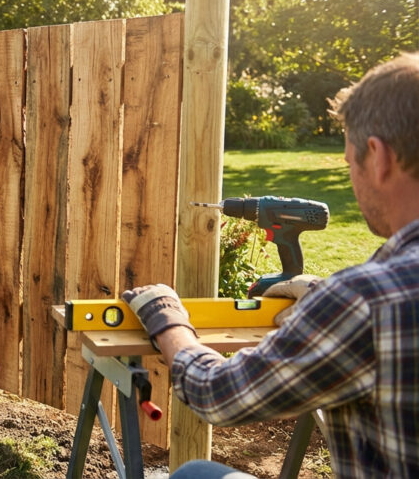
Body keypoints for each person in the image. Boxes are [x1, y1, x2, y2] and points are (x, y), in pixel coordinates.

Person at [122, 52, 419, 478]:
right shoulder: (366, 300)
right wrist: (322, 296)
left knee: (193, 475)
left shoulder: (366, 302)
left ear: (379, 156)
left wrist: (167, 320)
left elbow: (221, 395)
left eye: (350, 159)